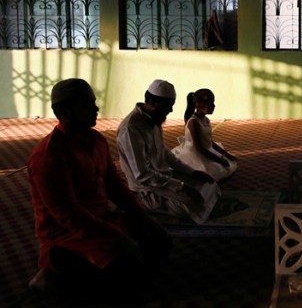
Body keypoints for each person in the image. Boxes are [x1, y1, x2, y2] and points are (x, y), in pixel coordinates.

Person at [27, 78, 173, 302]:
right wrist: (120, 238)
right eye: (87, 105)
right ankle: (51, 274)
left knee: (160, 243)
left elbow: (115, 187)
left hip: (103, 220)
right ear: (63, 112)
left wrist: (144, 218)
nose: (96, 109)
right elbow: (69, 216)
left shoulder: (96, 141)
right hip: (69, 235)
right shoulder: (49, 157)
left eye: (94, 102)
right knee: (129, 279)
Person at [116, 79, 220, 224]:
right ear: (153, 102)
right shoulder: (131, 129)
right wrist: (181, 186)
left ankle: (172, 199)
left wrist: (192, 172)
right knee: (193, 205)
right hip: (146, 187)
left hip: (163, 176)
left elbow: (165, 153)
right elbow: (142, 174)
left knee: (208, 183)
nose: (170, 111)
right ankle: (141, 203)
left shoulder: (154, 120)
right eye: (168, 106)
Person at [171, 88, 237, 182]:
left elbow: (210, 142)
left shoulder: (205, 119)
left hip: (206, 148)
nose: (214, 106)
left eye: (213, 103)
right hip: (196, 152)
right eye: (209, 103)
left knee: (227, 162)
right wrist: (219, 159)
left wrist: (225, 154)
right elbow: (199, 148)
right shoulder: (193, 122)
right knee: (216, 169)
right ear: (198, 105)